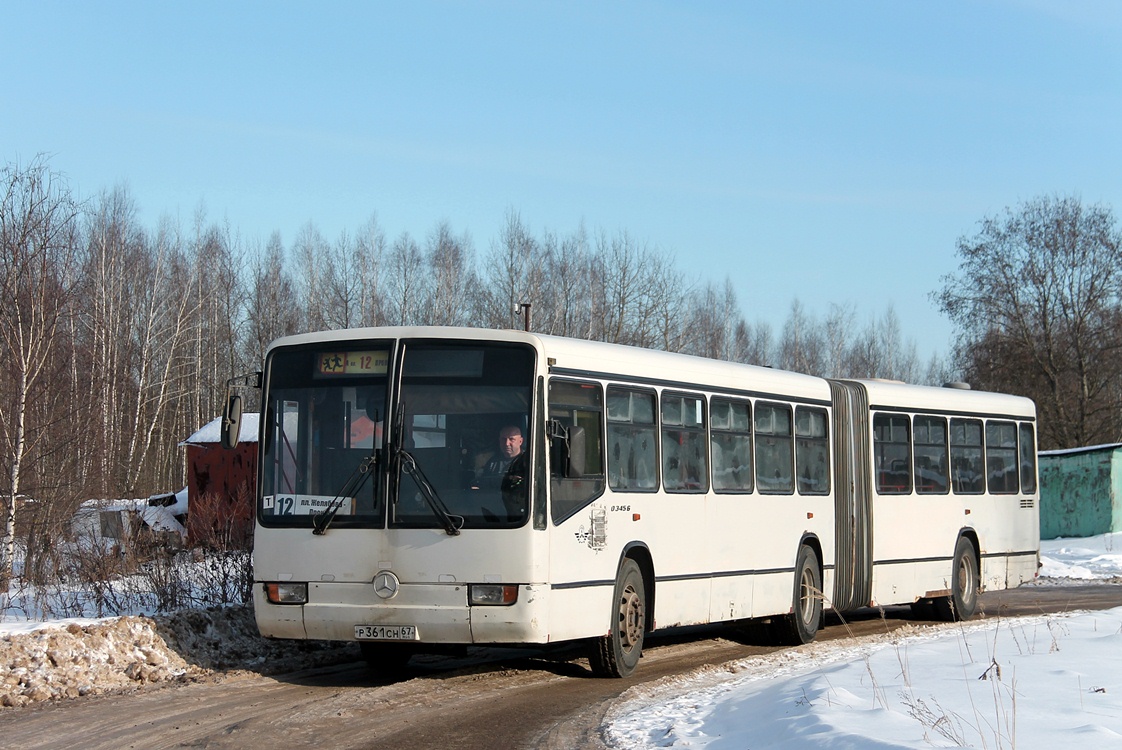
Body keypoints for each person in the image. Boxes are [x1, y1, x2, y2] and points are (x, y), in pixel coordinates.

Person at [475, 425, 528, 518]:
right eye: (503, 439)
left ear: (520, 441)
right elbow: (482, 483)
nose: (507, 443)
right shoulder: (491, 462)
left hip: (520, 512)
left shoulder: (528, 461)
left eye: (511, 439)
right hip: (494, 509)